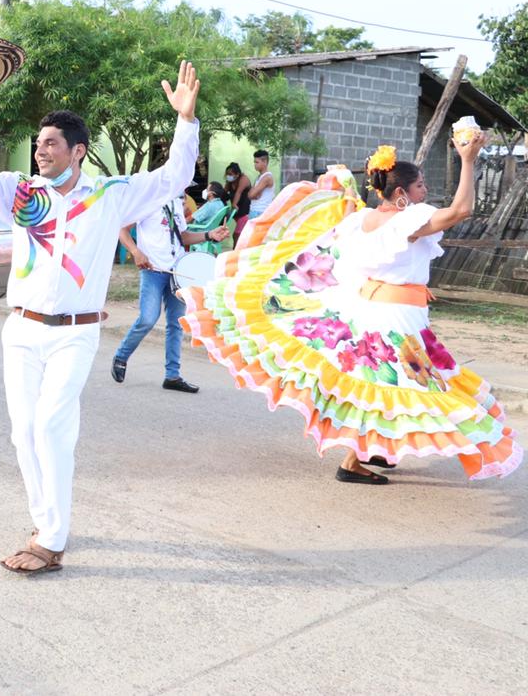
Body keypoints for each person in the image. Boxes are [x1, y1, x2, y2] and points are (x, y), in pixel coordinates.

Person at [0, 61, 202, 575]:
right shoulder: (20, 192)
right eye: (39, 142)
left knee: (53, 425)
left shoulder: (110, 195)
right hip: (22, 328)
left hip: (75, 333)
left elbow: (175, 178)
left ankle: (52, 540)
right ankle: (45, 522)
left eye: (52, 143)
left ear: (78, 150)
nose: (41, 150)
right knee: (23, 432)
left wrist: (184, 123)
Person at [180, 135, 521, 485]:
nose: (425, 190)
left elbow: (342, 232)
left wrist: (345, 194)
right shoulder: (409, 219)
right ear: (400, 193)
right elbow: (461, 210)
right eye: (419, 185)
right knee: (395, 390)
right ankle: (352, 462)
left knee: (384, 387)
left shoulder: (364, 220)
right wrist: (468, 159)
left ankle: (374, 450)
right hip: (395, 318)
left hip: (383, 312)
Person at [111, 197, 228, 393]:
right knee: (148, 318)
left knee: (176, 323)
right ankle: (122, 355)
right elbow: (122, 229)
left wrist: (209, 235)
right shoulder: (147, 199)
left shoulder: (176, 204)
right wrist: (135, 252)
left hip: (177, 270)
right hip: (152, 270)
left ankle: (172, 375)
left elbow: (183, 237)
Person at [224, 161, 252, 241]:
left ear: (237, 174)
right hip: (237, 213)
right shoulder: (229, 182)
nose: (228, 176)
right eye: (227, 174)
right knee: (242, 234)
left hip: (245, 212)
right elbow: (224, 194)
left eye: (230, 174)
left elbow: (238, 192)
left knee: (237, 235)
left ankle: (235, 251)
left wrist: (234, 204)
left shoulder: (244, 179)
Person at [248, 149, 275, 219]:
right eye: (254, 162)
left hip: (261, 212)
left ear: (265, 162)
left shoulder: (267, 177)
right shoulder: (259, 177)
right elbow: (250, 195)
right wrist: (255, 193)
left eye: (257, 162)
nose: (255, 165)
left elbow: (251, 195)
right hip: (254, 211)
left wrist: (254, 193)